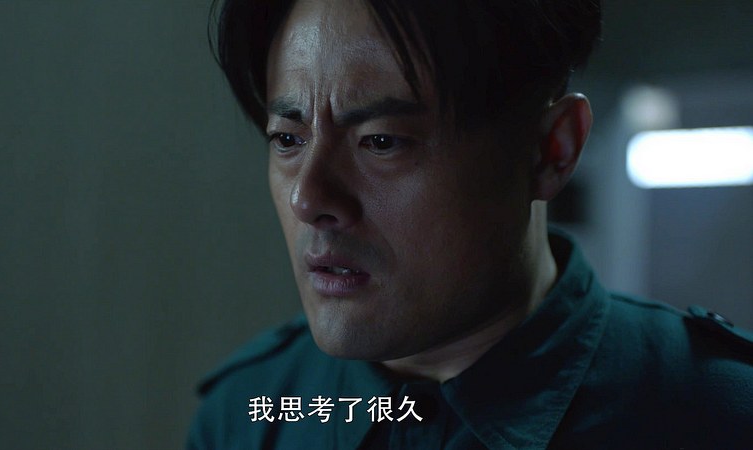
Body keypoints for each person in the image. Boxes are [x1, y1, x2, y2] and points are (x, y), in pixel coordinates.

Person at [188, 0, 753, 448]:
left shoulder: (717, 413)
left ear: (550, 151)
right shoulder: (250, 413)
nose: (308, 198)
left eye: (381, 142)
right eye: (288, 139)